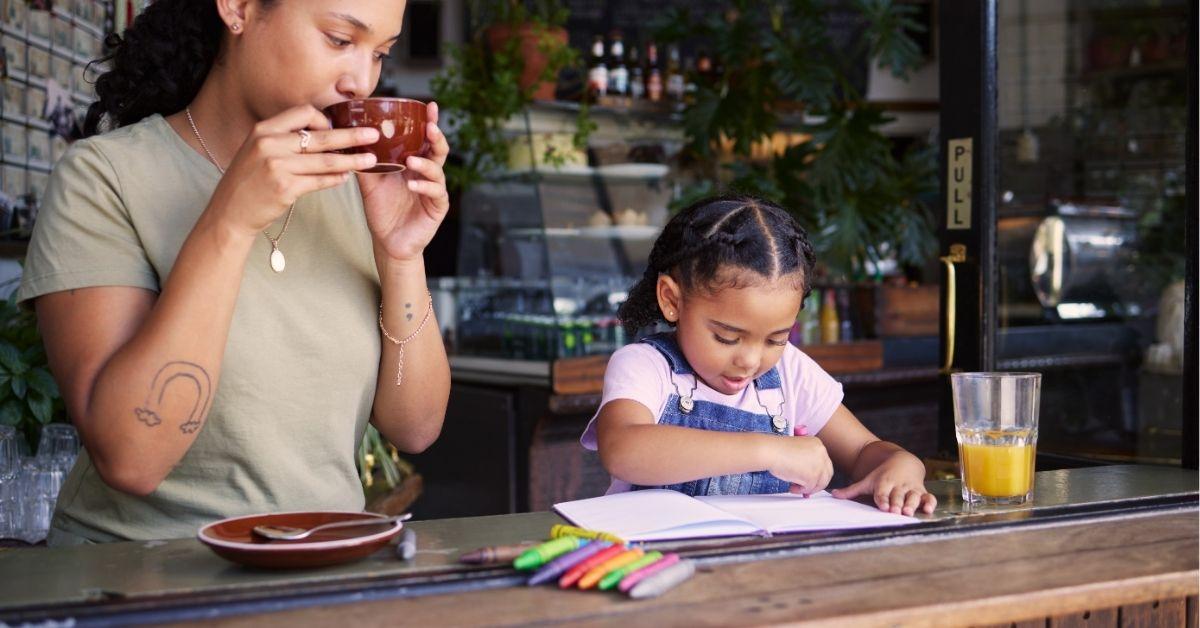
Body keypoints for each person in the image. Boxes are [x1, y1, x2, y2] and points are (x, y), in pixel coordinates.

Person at [16, 0, 452, 544]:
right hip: (140, 574)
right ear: (239, 8)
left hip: (318, 565)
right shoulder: (104, 178)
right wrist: (229, 222)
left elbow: (415, 428)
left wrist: (400, 255)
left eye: (380, 53)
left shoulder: (355, 192)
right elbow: (131, 459)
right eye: (340, 40)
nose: (361, 82)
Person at [582, 195, 936, 515]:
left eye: (776, 340)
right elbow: (623, 450)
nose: (751, 361)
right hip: (653, 556)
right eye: (727, 338)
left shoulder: (791, 373)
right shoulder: (646, 366)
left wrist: (901, 465)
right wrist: (769, 451)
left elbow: (863, 451)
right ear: (672, 300)